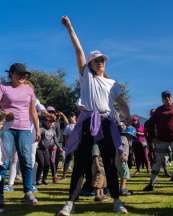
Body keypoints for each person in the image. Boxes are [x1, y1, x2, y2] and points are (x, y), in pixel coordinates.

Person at [58, 16, 130, 216]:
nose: (101, 62)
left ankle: (116, 201)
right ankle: (70, 203)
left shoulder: (112, 83)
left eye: (103, 60)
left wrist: (127, 116)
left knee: (110, 163)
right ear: (90, 64)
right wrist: (70, 27)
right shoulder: (85, 76)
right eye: (97, 60)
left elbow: (122, 102)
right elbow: (78, 50)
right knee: (81, 162)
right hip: (89, 121)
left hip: (107, 122)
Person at [0, 63, 40, 208]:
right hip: (7, 129)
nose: (24, 76)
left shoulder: (29, 90)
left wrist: (37, 128)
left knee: (27, 161)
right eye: (20, 74)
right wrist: (4, 113)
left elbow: (33, 111)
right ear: (11, 73)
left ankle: (28, 193)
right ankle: (0, 196)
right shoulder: (3, 87)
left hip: (24, 130)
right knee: (3, 163)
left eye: (25, 74)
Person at [36, 117, 59, 185]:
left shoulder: (53, 131)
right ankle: (38, 179)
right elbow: (37, 137)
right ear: (45, 122)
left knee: (47, 164)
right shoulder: (41, 129)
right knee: (41, 164)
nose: (50, 123)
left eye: (51, 122)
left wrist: (59, 147)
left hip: (46, 149)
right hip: (39, 149)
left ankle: (44, 179)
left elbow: (56, 140)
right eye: (49, 122)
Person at [62, 112, 77, 179]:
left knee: (77, 160)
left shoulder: (78, 125)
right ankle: (64, 175)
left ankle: (76, 174)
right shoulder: (68, 126)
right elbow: (65, 137)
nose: (71, 118)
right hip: (70, 146)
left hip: (78, 145)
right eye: (70, 117)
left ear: (75, 117)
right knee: (68, 160)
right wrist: (65, 146)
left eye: (72, 116)